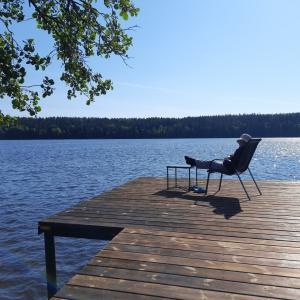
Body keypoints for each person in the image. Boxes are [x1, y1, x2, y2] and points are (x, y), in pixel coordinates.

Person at [185, 133, 252, 174]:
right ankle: (194, 162)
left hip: (230, 169)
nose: (239, 142)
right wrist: (231, 157)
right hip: (238, 169)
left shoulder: (240, 150)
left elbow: (232, 161)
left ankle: (193, 162)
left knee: (211, 163)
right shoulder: (246, 150)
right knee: (212, 164)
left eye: (240, 141)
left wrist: (227, 158)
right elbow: (236, 159)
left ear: (243, 142)